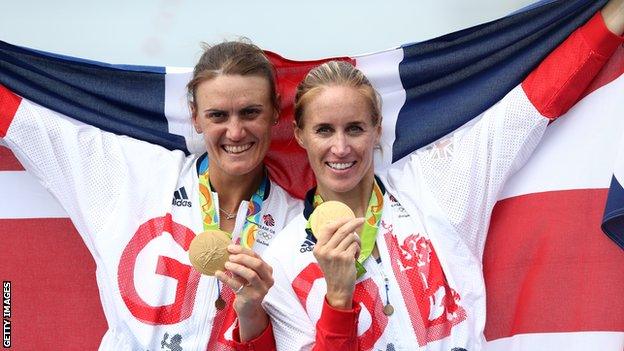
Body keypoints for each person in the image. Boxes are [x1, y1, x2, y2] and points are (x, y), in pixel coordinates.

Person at [257, 1, 624, 350]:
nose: (340, 147)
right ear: (300, 134)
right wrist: (337, 299)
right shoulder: (283, 261)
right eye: (324, 130)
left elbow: (529, 107)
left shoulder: (433, 186)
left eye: (354, 128)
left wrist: (614, 17)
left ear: (377, 128)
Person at [0, 40, 301, 350]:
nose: (235, 132)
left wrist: (252, 316)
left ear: (275, 110)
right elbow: (23, 124)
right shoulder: (133, 175)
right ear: (194, 116)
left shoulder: (296, 225)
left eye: (250, 112)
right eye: (218, 116)